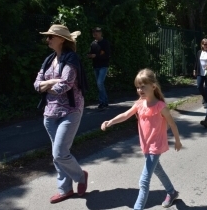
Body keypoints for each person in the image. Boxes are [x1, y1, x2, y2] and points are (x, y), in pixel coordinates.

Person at [100, 68, 182, 209]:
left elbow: (172, 123)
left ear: (153, 86)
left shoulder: (160, 106)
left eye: (143, 86)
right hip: (145, 144)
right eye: (138, 87)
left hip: (155, 146)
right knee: (157, 169)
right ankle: (171, 191)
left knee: (144, 182)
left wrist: (177, 140)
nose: (140, 90)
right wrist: (110, 121)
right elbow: (126, 115)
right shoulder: (139, 104)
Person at [34, 24, 88, 204]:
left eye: (51, 36)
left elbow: (64, 85)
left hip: (70, 110)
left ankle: (80, 176)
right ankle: (65, 189)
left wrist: (48, 84)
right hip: (50, 113)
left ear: (62, 40)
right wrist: (53, 81)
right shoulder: (49, 60)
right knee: (58, 153)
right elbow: (36, 85)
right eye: (47, 36)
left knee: (59, 153)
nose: (47, 39)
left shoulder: (71, 58)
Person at [88, 27, 111, 109]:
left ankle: (103, 101)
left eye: (96, 32)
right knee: (99, 84)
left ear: (101, 33)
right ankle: (103, 102)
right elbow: (90, 53)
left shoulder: (105, 42)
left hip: (103, 66)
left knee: (99, 83)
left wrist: (96, 56)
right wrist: (90, 56)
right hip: (96, 66)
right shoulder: (93, 44)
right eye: (93, 32)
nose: (95, 34)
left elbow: (107, 55)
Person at [193, 38, 207, 108]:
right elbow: (196, 61)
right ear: (202, 45)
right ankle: (205, 97)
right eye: (205, 44)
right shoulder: (199, 52)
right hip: (200, 72)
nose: (206, 46)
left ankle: (206, 101)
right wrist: (194, 69)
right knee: (199, 86)